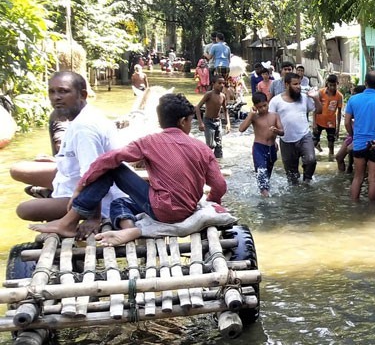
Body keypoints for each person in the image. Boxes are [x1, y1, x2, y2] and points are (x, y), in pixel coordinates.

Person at [30, 93, 227, 247]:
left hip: (161, 209)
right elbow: (219, 185)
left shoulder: (149, 142)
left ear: (160, 122)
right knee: (120, 203)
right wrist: (211, 201)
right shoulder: (201, 147)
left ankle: (69, 221)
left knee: (112, 168)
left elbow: (108, 158)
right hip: (186, 209)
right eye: (191, 121)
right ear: (184, 121)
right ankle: (129, 230)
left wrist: (80, 186)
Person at [16, 71, 123, 236]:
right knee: (18, 169)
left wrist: (94, 217)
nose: (56, 97)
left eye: (63, 91)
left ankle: (65, 211)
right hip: (75, 181)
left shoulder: (84, 128)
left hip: (97, 196)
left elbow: (95, 175)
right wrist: (58, 160)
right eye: (52, 92)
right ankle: (52, 191)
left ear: (83, 95)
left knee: (24, 210)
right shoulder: (83, 116)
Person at [344, 71, 375, 201]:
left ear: (365, 83)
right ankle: (371, 212)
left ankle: (354, 208)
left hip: (359, 144)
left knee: (358, 178)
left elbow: (347, 122)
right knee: (373, 180)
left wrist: (353, 136)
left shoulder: (353, 99)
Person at [269, 72, 322, 184]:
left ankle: (307, 181)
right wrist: (272, 141)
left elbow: (319, 110)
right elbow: (270, 122)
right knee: (291, 176)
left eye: (299, 84)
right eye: (295, 84)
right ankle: (295, 198)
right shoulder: (276, 101)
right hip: (286, 140)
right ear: (286, 85)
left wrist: (315, 98)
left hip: (304, 136)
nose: (298, 86)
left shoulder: (304, 98)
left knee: (311, 160)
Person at [239, 92, 284, 197]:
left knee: (267, 176)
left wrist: (276, 130)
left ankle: (264, 195)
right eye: (260, 107)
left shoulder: (275, 116)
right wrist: (251, 115)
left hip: (272, 148)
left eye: (265, 105)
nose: (263, 109)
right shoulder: (254, 117)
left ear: (268, 102)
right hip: (259, 148)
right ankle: (265, 197)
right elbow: (241, 129)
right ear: (255, 107)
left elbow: (282, 132)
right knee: (261, 174)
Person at [195, 76, 231, 159]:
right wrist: (200, 123)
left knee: (219, 146)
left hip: (218, 122)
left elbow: (225, 110)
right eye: (219, 83)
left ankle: (219, 164)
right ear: (213, 84)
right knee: (211, 145)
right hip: (208, 122)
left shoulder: (223, 96)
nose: (222, 85)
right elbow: (197, 107)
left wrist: (228, 123)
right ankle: (204, 155)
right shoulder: (209, 94)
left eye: (223, 83)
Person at [336, 84, 365, 173]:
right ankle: (343, 175)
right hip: (353, 135)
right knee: (339, 157)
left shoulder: (364, 105)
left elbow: (347, 122)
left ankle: (348, 174)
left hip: (360, 136)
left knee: (344, 157)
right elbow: (348, 120)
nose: (352, 96)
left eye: (354, 94)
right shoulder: (354, 103)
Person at [313, 74, 343, 159]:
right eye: (330, 85)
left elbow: (339, 113)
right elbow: (315, 108)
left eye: (334, 85)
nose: (332, 87)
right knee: (313, 142)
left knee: (331, 143)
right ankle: (317, 146)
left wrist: (338, 128)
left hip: (331, 123)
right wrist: (314, 123)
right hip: (319, 121)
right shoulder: (321, 92)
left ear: (337, 84)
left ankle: (331, 158)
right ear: (327, 84)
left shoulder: (339, 96)